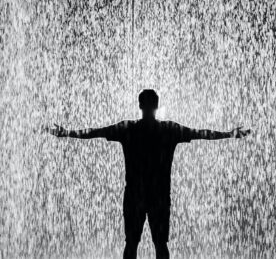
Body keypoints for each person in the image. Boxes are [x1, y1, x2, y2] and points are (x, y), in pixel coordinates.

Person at [46, 89, 250, 259]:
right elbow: (202, 134)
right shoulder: (169, 129)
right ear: (157, 106)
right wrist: (229, 134)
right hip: (159, 197)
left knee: (132, 244)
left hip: (135, 195)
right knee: (160, 245)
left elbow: (94, 132)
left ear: (140, 105)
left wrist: (67, 133)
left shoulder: (128, 128)